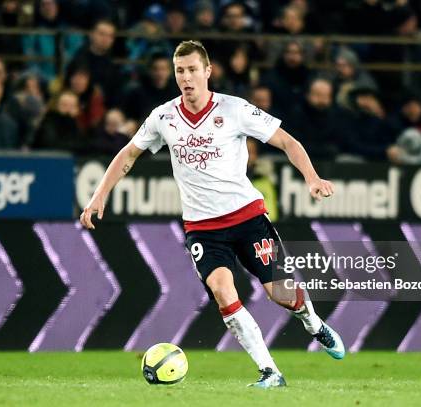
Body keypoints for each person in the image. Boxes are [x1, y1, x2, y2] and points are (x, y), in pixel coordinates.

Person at [79, 40, 345, 388]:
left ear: (207, 72)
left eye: (192, 70)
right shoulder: (163, 117)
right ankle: (270, 372)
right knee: (223, 290)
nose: (186, 77)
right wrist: (100, 195)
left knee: (280, 293)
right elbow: (128, 154)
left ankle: (313, 323)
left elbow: (287, 142)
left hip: (248, 218)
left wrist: (311, 178)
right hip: (203, 229)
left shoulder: (234, 109)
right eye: (180, 71)